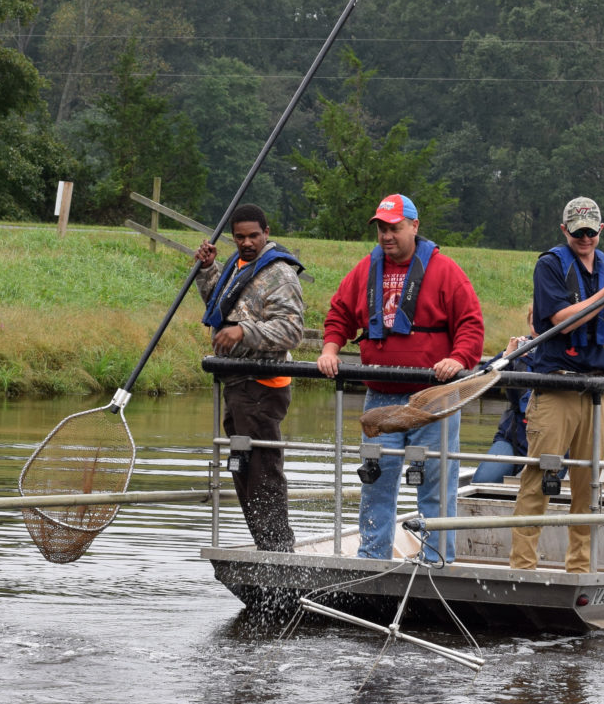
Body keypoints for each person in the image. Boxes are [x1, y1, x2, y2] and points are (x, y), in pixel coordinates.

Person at [317, 193, 484, 563]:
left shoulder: (446, 271)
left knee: (437, 485)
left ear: (414, 226)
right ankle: (372, 558)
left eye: (394, 228)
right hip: (381, 397)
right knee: (375, 481)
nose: (386, 235)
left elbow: (471, 325)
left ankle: (437, 562)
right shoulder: (365, 269)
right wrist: (330, 349)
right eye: (381, 228)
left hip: (435, 400)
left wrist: (457, 359)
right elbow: (339, 313)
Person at [510, 196, 604, 572]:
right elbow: (563, 320)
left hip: (595, 393)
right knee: (539, 479)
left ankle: (579, 568)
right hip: (556, 389)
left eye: (591, 231)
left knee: (588, 486)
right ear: (565, 231)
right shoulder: (549, 266)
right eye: (578, 232)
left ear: (600, 230)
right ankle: (522, 567)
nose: (585, 238)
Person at [194, 204, 306, 551]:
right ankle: (266, 545)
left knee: (262, 473)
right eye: (239, 236)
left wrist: (243, 332)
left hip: (262, 387)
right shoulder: (237, 264)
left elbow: (292, 330)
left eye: (253, 236)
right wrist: (208, 268)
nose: (246, 242)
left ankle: (277, 550)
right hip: (237, 384)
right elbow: (222, 304)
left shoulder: (280, 274)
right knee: (242, 469)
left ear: (267, 233)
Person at [471, 309, 536, 484]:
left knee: (542, 489)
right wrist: (506, 356)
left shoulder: (566, 352)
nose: (538, 328)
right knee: (483, 481)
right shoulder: (517, 351)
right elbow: (482, 384)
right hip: (515, 435)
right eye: (533, 323)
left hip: (552, 437)